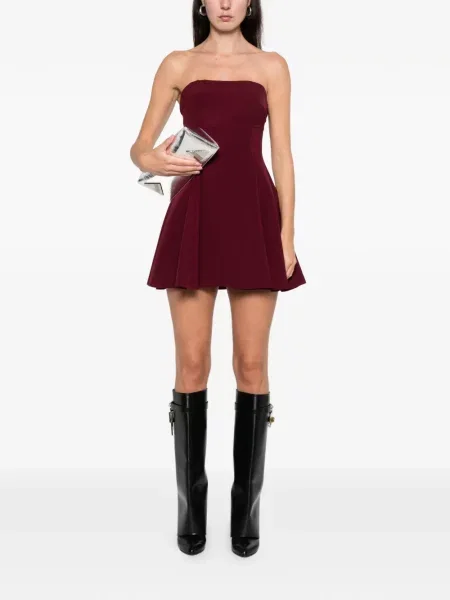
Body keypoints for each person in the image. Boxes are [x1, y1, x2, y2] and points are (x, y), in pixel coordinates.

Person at [129, 0, 306, 558]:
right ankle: (191, 506)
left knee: (252, 365)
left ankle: (245, 510)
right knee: (191, 364)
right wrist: (155, 161)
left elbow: (282, 155)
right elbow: (139, 148)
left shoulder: (272, 66)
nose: (226, 3)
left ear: (250, 3)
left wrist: (286, 233)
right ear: (201, 3)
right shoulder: (178, 64)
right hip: (195, 216)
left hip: (253, 214)